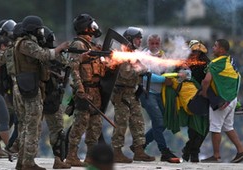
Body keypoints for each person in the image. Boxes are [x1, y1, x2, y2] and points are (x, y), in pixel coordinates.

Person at [13, 15, 69, 170]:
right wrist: (59, 49)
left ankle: (23, 162)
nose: (41, 32)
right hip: (30, 89)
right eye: (39, 30)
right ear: (33, 29)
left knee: (27, 126)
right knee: (32, 126)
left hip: (27, 87)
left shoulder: (22, 43)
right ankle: (28, 163)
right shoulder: (26, 44)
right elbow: (44, 55)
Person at [65, 13, 106, 167]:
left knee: (95, 127)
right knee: (80, 124)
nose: (94, 27)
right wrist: (80, 90)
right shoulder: (78, 45)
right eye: (91, 25)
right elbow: (73, 68)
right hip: (85, 90)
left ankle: (90, 157)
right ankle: (71, 156)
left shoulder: (91, 46)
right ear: (85, 28)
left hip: (96, 91)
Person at [111, 27, 155, 163]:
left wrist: (143, 69)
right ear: (129, 39)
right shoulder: (122, 55)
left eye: (141, 38)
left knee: (138, 122)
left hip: (132, 93)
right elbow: (126, 73)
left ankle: (139, 150)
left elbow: (141, 68)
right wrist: (140, 70)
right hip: (122, 93)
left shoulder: (133, 54)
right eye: (137, 38)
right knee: (121, 123)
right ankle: (117, 152)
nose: (140, 41)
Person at [200, 39, 243, 163]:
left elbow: (207, 81)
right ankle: (241, 150)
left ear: (222, 50)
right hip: (232, 100)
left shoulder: (215, 63)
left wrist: (204, 92)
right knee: (228, 127)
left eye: (215, 46)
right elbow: (238, 78)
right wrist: (233, 98)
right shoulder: (231, 61)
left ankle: (216, 155)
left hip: (221, 102)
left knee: (215, 128)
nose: (213, 48)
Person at [140, 34, 179, 163]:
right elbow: (145, 76)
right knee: (159, 122)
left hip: (159, 94)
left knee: (163, 124)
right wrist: (164, 80)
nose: (155, 46)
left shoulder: (162, 56)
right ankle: (164, 151)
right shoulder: (144, 57)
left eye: (157, 43)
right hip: (147, 93)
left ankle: (140, 146)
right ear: (148, 43)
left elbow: (167, 71)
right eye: (152, 43)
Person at [181, 40, 210, 162]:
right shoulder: (183, 62)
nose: (195, 53)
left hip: (204, 95)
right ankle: (194, 153)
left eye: (197, 51)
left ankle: (189, 150)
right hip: (190, 96)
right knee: (194, 126)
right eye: (193, 51)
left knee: (206, 127)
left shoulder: (207, 63)